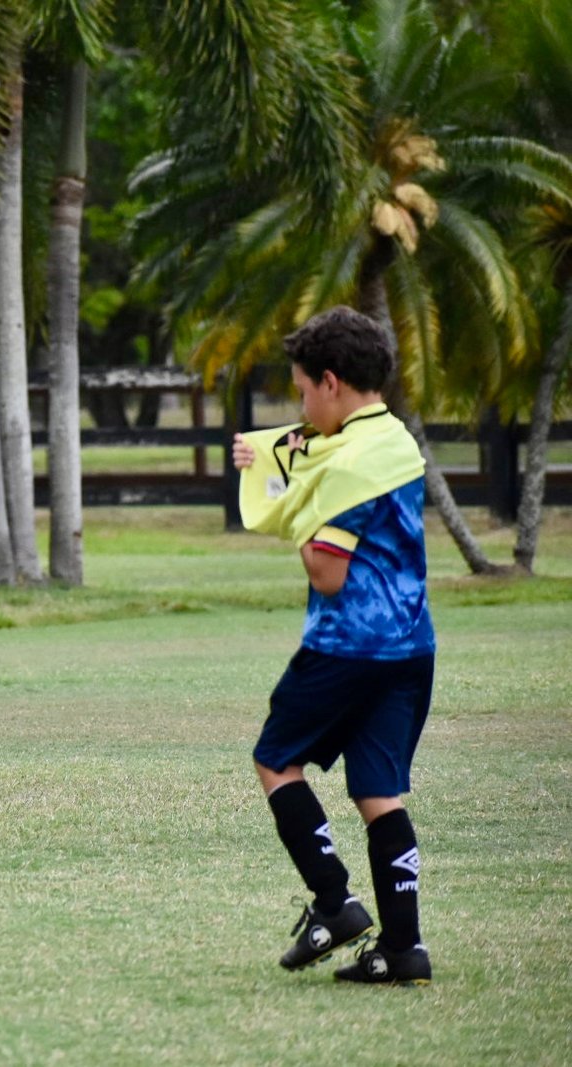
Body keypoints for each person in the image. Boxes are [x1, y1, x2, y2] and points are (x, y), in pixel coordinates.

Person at [231, 305, 434, 985]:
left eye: (301, 389)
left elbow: (328, 569)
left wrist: (298, 506)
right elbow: (323, 445)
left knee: (275, 760)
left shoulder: (344, 467)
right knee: (380, 791)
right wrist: (271, 457)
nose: (300, 403)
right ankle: (403, 949)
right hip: (411, 645)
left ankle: (333, 902)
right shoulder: (397, 440)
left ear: (329, 381)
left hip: (348, 645)